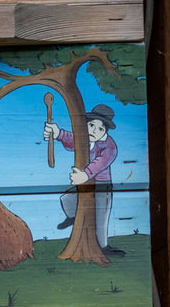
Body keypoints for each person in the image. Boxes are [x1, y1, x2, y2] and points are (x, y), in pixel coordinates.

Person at [44, 103, 123, 257]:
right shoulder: (84, 137)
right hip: (86, 182)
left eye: (100, 129)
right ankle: (73, 216)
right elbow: (72, 139)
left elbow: (100, 163)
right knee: (67, 198)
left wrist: (85, 174)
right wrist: (57, 133)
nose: (95, 131)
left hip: (101, 184)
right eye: (92, 125)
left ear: (105, 131)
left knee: (101, 214)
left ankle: (103, 246)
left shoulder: (110, 146)